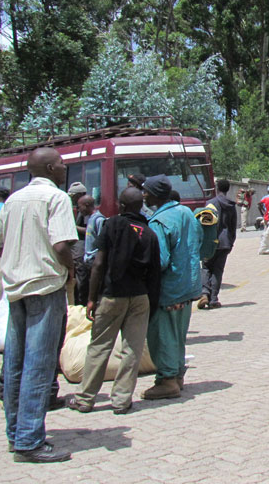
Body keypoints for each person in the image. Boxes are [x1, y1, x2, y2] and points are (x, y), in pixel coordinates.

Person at [0, 147, 76, 463]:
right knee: (39, 365)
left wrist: (19, 257)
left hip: (15, 291)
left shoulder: (13, 200)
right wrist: (71, 268)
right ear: (51, 168)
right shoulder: (57, 199)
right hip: (45, 288)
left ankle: (16, 435)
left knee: (14, 365)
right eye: (62, 165)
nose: (66, 169)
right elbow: (62, 244)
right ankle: (29, 441)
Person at [66, 187, 161, 415]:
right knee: (132, 350)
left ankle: (85, 398)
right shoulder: (149, 233)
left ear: (122, 205)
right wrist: (152, 305)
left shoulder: (112, 225)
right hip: (139, 298)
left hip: (111, 296)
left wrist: (91, 298)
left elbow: (98, 264)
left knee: (99, 346)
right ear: (141, 207)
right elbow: (155, 275)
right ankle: (121, 400)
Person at [140, 175, 203, 399]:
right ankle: (177, 375)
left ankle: (166, 380)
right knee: (178, 334)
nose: (143, 195)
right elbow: (199, 242)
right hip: (187, 286)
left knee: (162, 335)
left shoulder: (159, 222)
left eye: (146, 192)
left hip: (168, 289)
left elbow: (161, 260)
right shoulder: (186, 213)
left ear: (156, 194)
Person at [198, 179, 236, 310]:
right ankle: (213, 299)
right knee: (218, 270)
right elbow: (232, 227)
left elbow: (205, 225)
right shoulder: (231, 205)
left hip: (211, 242)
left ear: (217, 188)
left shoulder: (210, 204)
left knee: (206, 267)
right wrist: (231, 243)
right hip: (225, 242)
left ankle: (204, 293)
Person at [76, 195, 106, 306]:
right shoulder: (90, 219)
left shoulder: (99, 220)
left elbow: (101, 242)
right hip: (87, 262)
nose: (79, 210)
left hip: (93, 262)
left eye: (80, 207)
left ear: (87, 205)